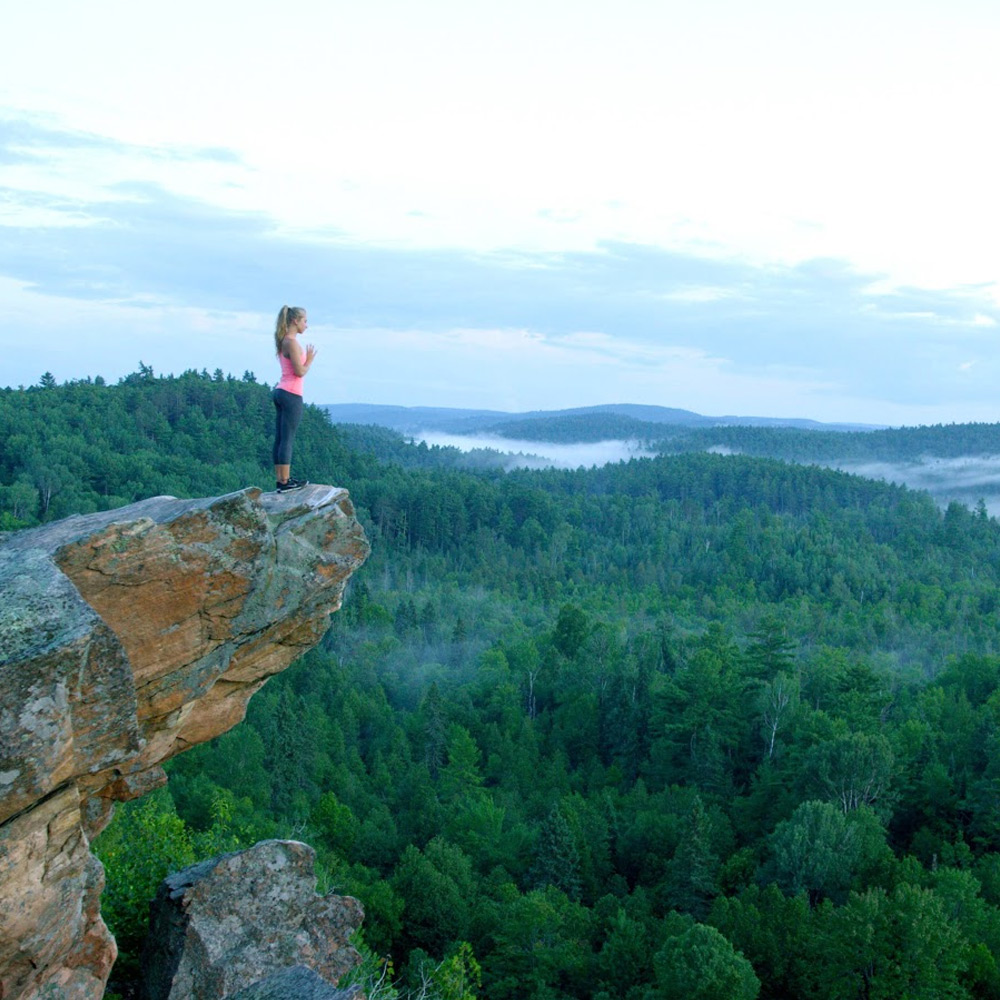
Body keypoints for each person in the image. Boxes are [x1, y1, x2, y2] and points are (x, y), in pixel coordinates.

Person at [272, 305, 316, 492]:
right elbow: (300, 371)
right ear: (295, 321)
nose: (306, 325)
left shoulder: (283, 341)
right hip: (291, 394)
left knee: (281, 438)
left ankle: (281, 480)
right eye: (304, 320)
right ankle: (286, 481)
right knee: (288, 438)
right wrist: (309, 361)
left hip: (281, 391)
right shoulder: (292, 343)